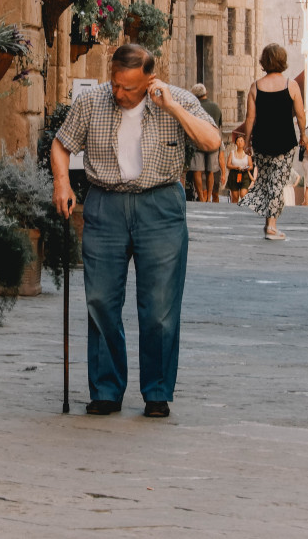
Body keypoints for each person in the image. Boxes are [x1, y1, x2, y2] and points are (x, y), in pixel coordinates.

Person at [50, 44, 220, 418]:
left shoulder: (177, 99)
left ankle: (157, 391)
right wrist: (62, 183)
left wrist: (171, 107)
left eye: (128, 87)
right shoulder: (93, 101)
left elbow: (211, 141)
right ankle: (106, 390)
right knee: (100, 301)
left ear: (149, 79)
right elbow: (61, 144)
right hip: (105, 204)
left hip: (159, 205)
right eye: (115, 83)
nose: (119, 93)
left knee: (159, 307)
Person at [237, 43, 307, 240]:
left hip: (262, 140)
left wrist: (249, 142)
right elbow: (300, 115)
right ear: (282, 61)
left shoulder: (255, 87)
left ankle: (269, 222)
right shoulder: (290, 85)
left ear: (264, 61)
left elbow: (250, 118)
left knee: (268, 180)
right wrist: (303, 134)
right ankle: (272, 226)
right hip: (284, 140)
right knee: (277, 182)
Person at [188, 83, 223, 202]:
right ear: (206, 93)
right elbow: (219, 124)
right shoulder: (215, 107)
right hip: (212, 142)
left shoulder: (193, 107)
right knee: (210, 171)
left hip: (197, 141)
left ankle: (201, 197)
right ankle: (208, 197)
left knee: (197, 171)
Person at [225, 134, 253, 203]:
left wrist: (246, 168)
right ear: (236, 143)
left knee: (243, 194)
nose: (240, 142)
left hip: (244, 175)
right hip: (234, 175)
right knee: (235, 197)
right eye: (238, 141)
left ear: (244, 143)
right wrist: (236, 167)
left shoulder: (247, 154)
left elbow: (251, 166)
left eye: (241, 141)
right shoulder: (232, 153)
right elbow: (228, 165)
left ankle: (244, 209)